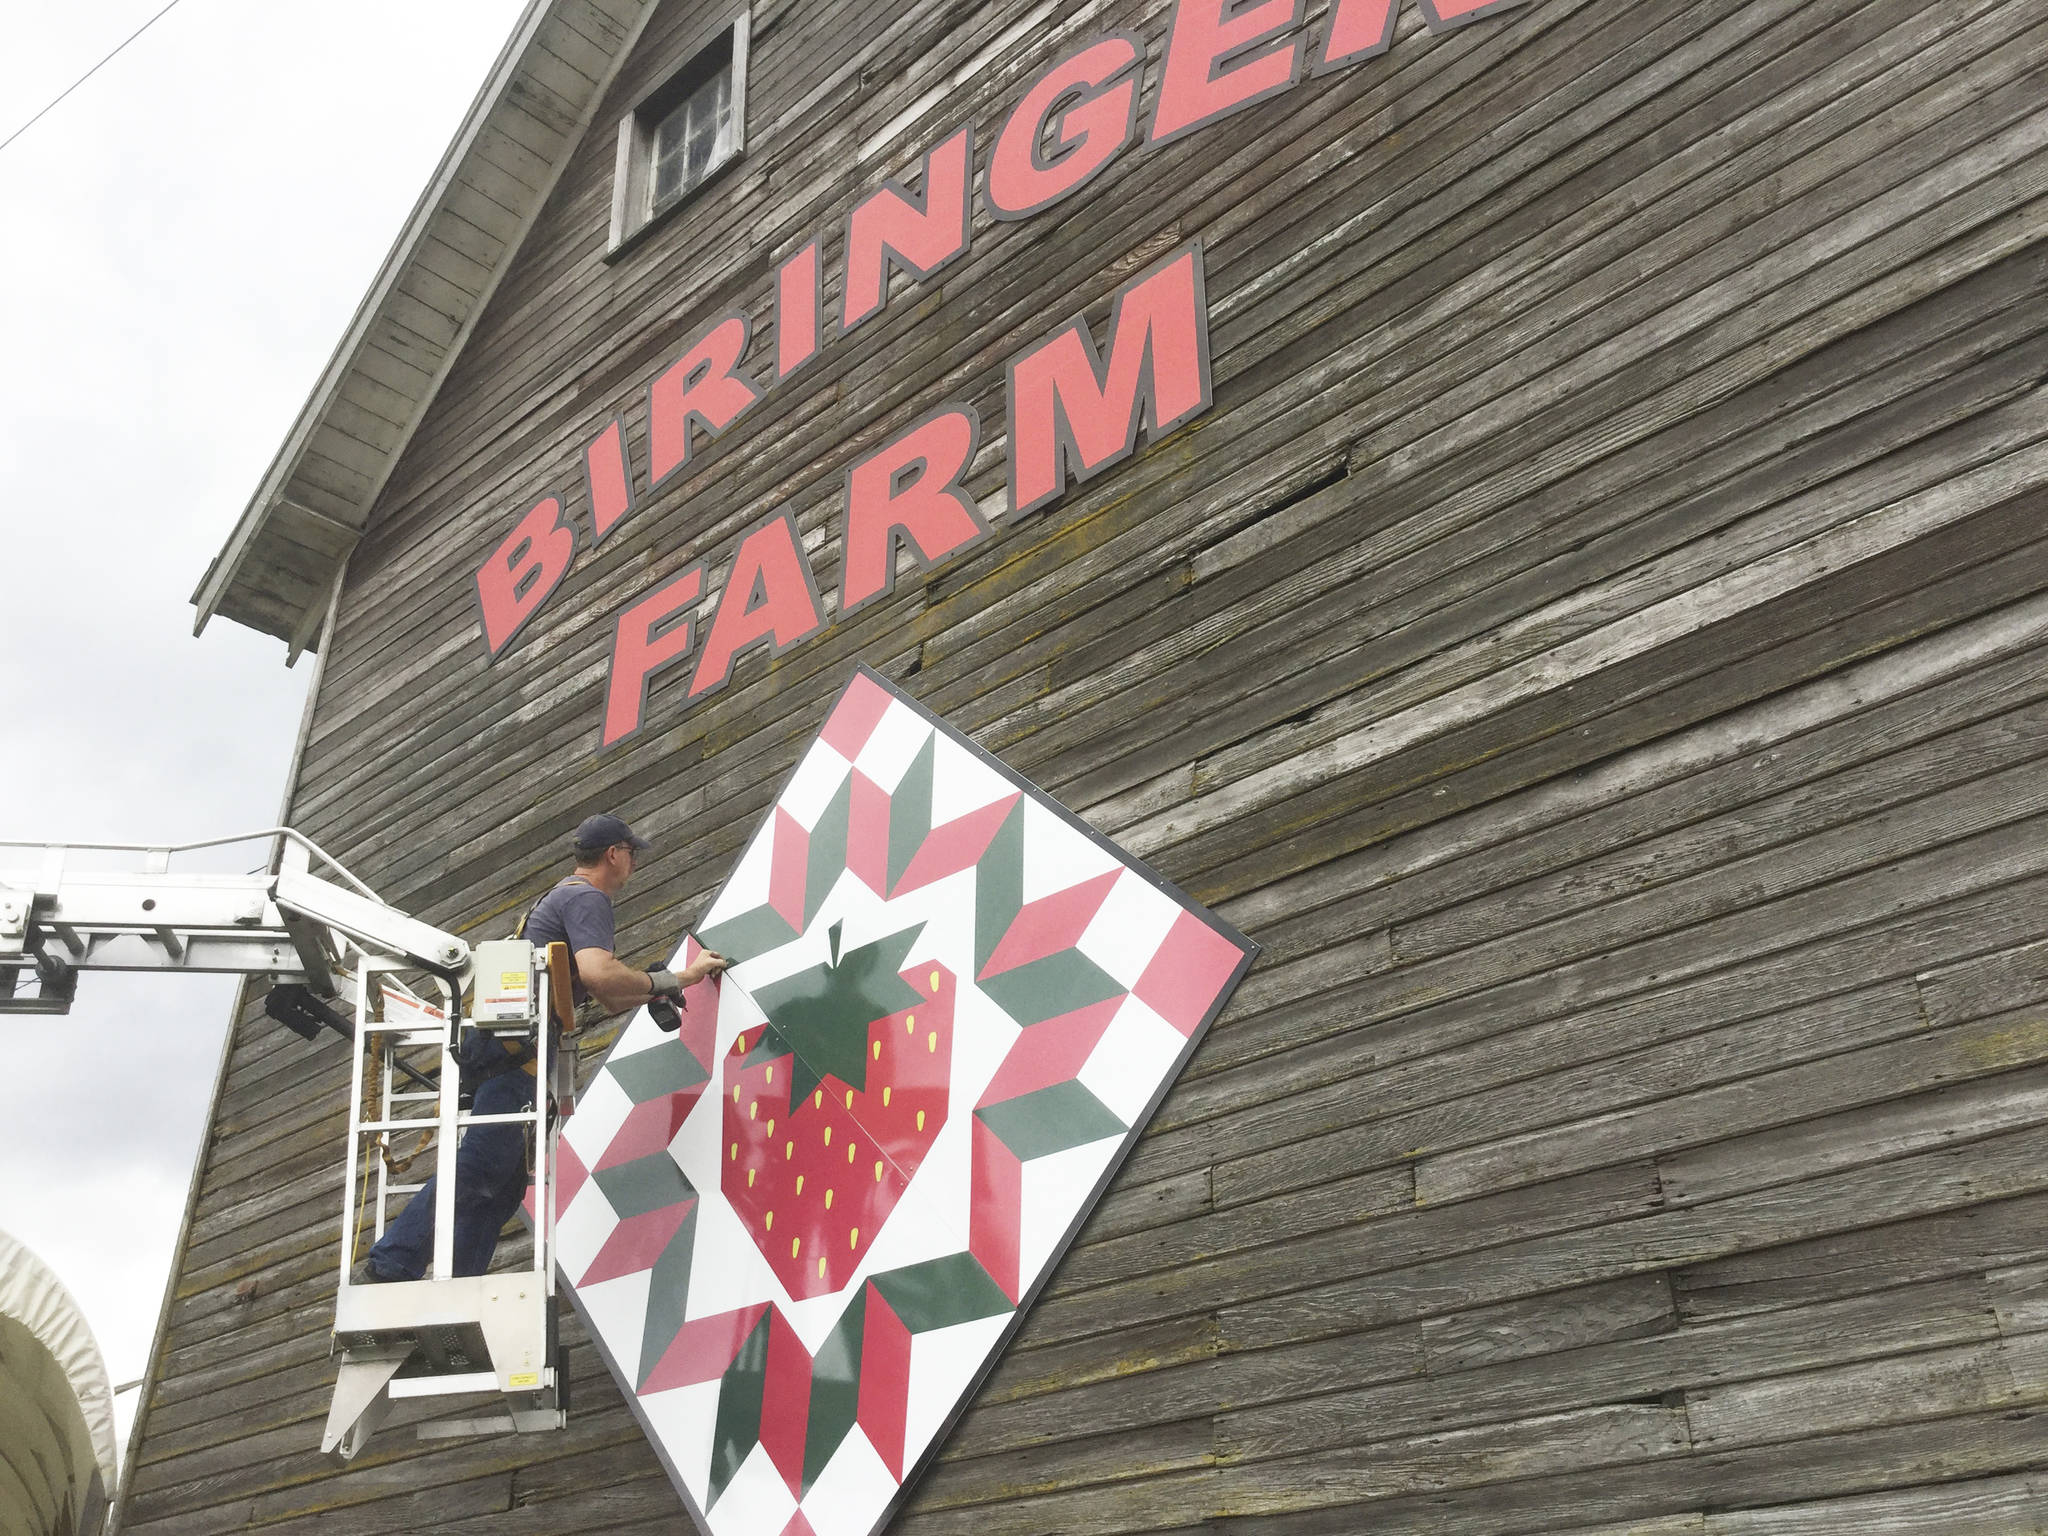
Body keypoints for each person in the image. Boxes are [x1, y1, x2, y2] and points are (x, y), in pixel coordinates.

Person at [355, 814, 727, 1282]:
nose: (634, 863)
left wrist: (663, 986)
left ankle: (459, 1283)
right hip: (515, 1052)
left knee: (503, 1184)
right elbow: (598, 974)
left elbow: (610, 995)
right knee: (482, 1163)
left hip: (504, 1049)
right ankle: (391, 1263)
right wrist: (673, 978)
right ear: (614, 853)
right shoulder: (588, 897)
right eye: (632, 853)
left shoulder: (559, 898)